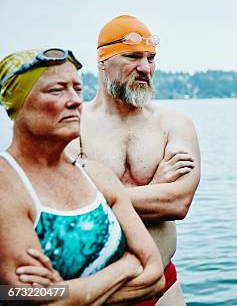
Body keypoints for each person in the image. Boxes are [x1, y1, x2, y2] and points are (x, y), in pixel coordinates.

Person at [0, 48, 164, 304]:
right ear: (17, 103)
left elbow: (156, 277)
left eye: (77, 89)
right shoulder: (6, 183)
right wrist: (127, 267)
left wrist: (71, 293)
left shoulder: (98, 176)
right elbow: (31, 299)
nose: (75, 101)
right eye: (56, 90)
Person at [71, 15, 201, 305]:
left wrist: (101, 195)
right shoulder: (73, 125)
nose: (145, 68)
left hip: (162, 288)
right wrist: (156, 184)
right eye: (132, 56)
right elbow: (69, 210)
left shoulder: (172, 124)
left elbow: (177, 203)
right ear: (102, 61)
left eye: (150, 58)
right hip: (93, 292)